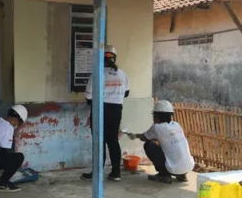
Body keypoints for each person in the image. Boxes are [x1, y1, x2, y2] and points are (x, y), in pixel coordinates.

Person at [81, 45, 129, 182]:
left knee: (98, 142)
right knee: (113, 141)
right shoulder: (122, 74)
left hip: (100, 110)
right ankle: (116, 172)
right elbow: (126, 93)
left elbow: (88, 97)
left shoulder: (97, 74)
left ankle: (97, 173)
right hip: (116, 111)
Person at [128, 100, 194, 184]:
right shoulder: (176, 125)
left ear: (156, 115)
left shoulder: (157, 127)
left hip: (173, 169)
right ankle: (182, 175)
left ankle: (164, 175)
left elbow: (144, 138)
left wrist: (135, 136)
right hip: (188, 167)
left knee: (149, 145)